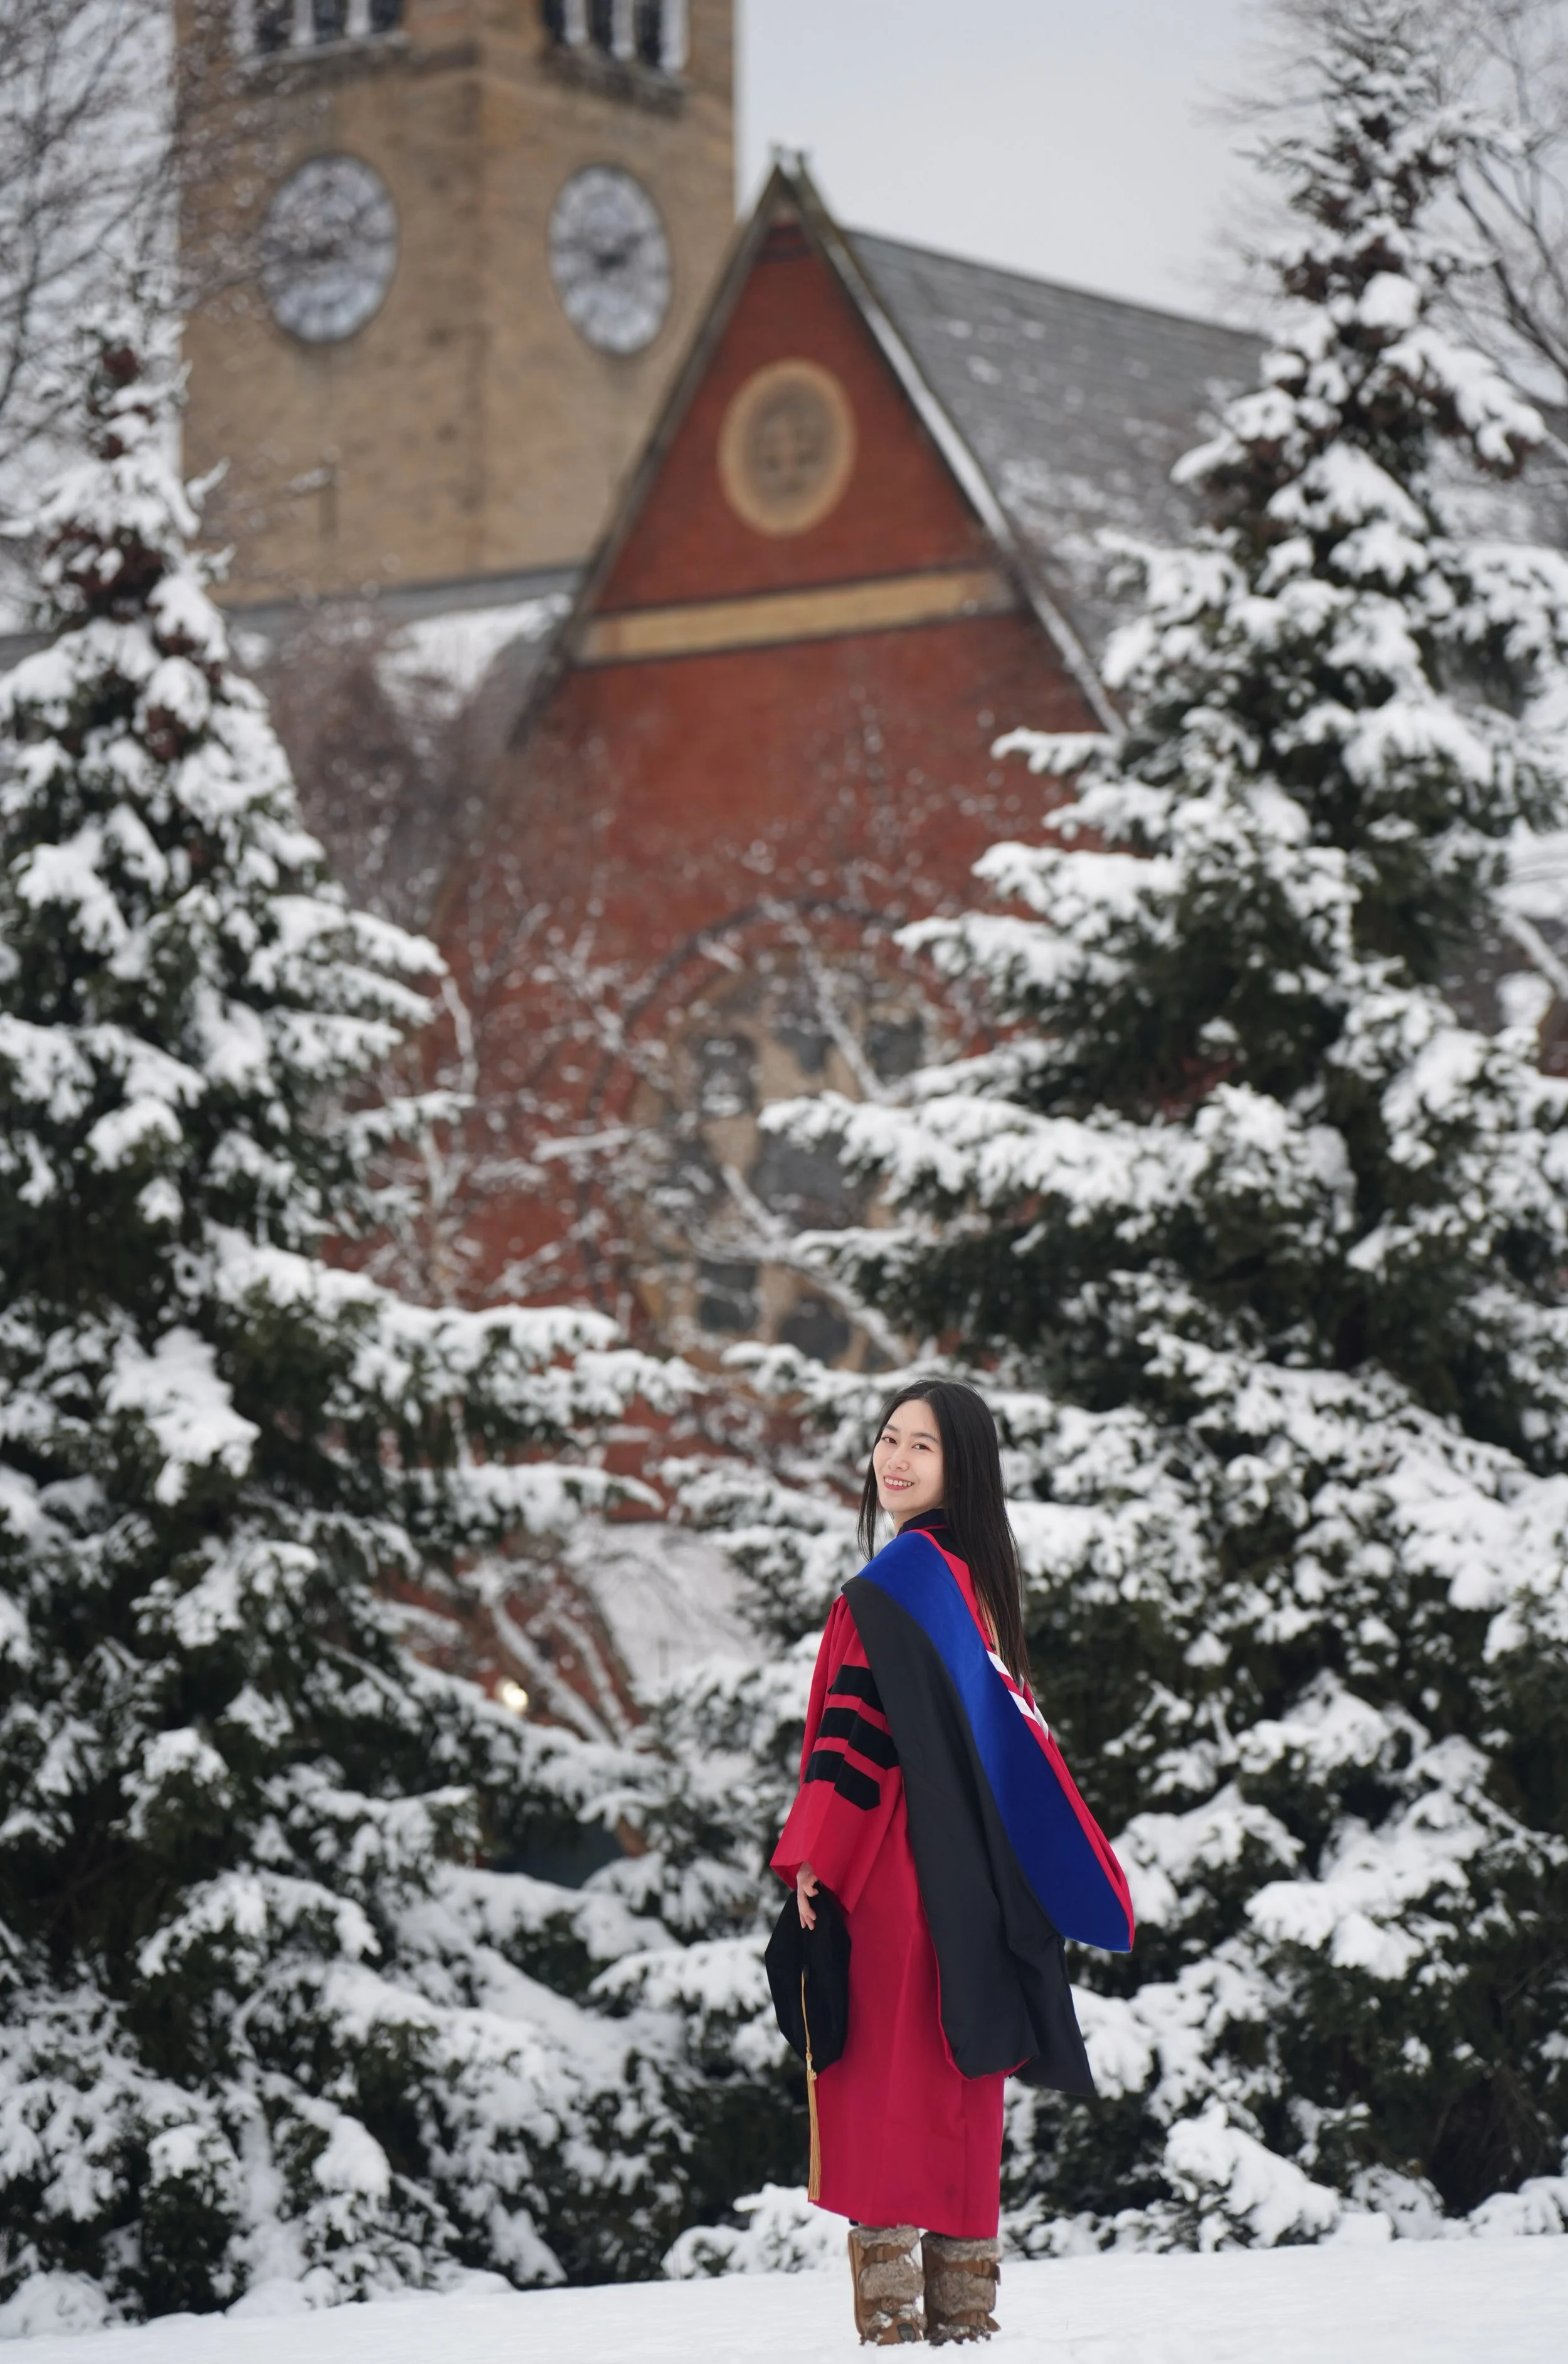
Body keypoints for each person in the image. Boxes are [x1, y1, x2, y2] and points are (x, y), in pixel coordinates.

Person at [771, 1380, 1134, 2346]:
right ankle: (965, 2320)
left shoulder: (889, 1590)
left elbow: (857, 1741)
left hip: (893, 1873)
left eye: (920, 1448)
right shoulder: (976, 1587)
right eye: (888, 1439)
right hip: (974, 1889)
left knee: (880, 2079)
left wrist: (815, 1857)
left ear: (957, 1468)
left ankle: (892, 2327)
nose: (893, 1461)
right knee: (960, 2082)